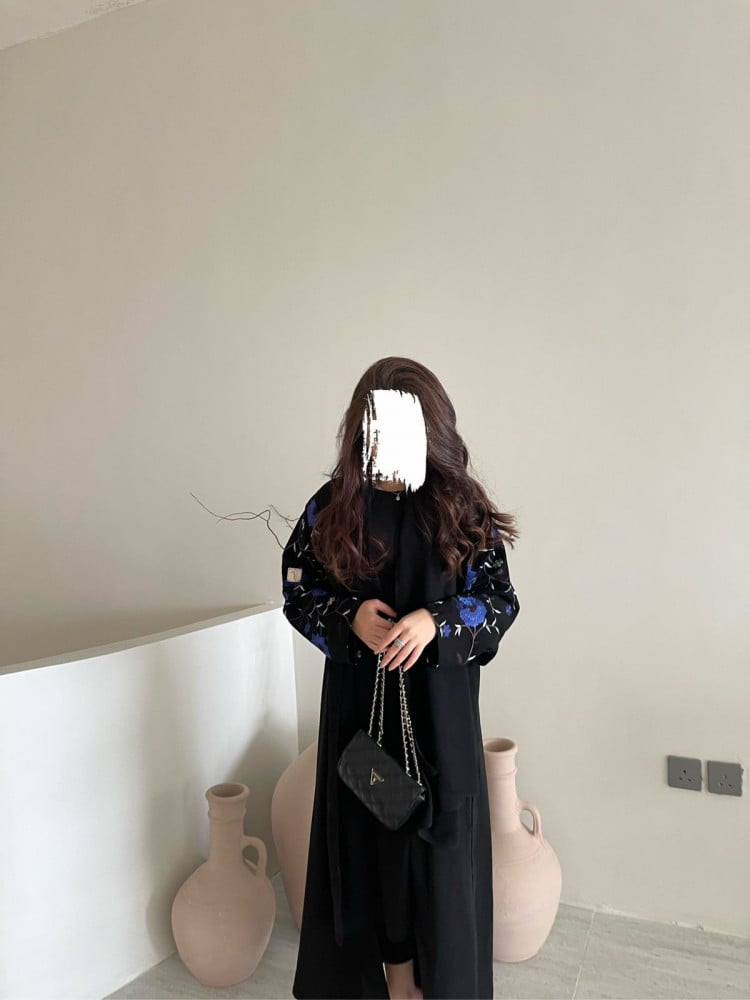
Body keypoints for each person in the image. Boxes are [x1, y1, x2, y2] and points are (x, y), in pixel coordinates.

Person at [282, 357, 521, 999]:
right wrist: (349, 618)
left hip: (440, 729)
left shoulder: (460, 508)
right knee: (375, 853)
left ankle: (436, 987)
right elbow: (298, 591)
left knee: (438, 859)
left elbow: (499, 603)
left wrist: (436, 624)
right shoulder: (334, 508)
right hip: (362, 728)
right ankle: (396, 984)